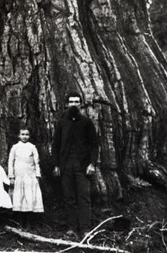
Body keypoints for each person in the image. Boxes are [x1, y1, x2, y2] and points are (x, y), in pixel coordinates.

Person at [52, 92, 99, 238]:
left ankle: (85, 229)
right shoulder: (61, 122)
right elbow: (55, 146)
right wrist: (56, 165)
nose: (74, 104)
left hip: (82, 167)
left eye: (77, 101)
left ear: (81, 104)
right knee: (69, 198)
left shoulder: (86, 122)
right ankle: (71, 228)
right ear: (67, 104)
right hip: (65, 166)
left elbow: (94, 145)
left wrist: (92, 164)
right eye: (71, 101)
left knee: (84, 197)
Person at [8, 127, 44, 229]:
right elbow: (10, 162)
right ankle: (20, 222)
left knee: (29, 198)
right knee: (19, 199)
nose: (24, 136)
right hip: (18, 177)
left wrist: (37, 175)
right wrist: (11, 176)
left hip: (29, 177)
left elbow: (37, 162)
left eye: (27, 134)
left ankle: (28, 223)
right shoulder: (15, 147)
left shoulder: (32, 147)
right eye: (22, 134)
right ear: (19, 136)